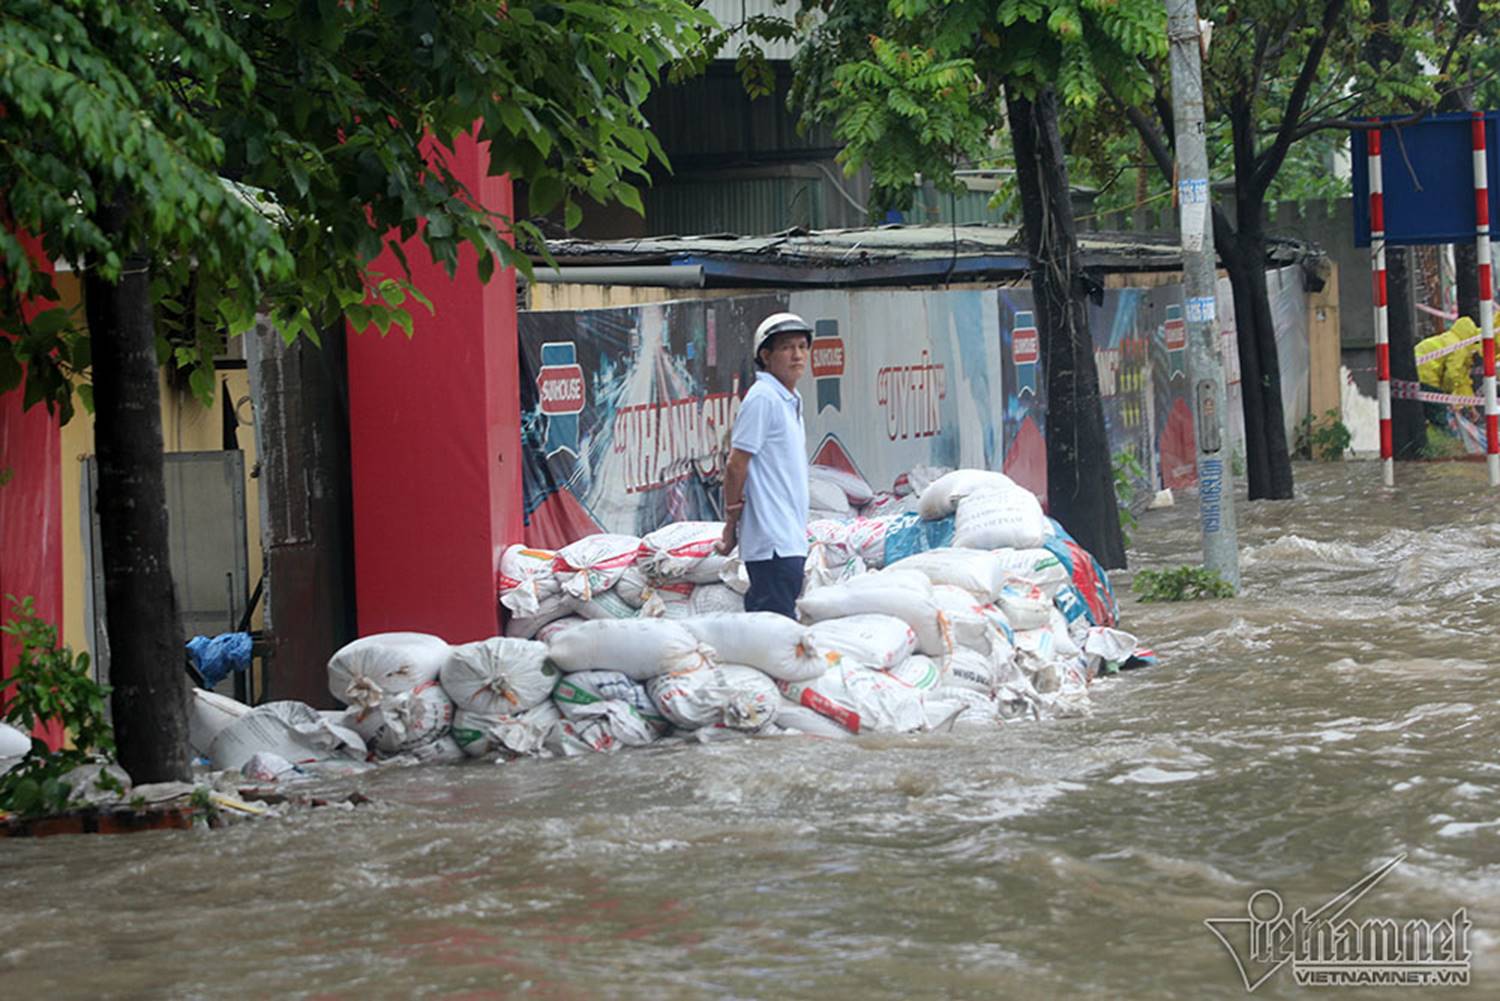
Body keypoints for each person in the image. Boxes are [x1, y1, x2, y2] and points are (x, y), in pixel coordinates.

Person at [717, 312, 813, 618]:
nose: (797, 355)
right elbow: (736, 464)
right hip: (772, 543)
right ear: (766, 355)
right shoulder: (763, 398)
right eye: (787, 347)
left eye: (802, 346)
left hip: (789, 539)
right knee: (774, 633)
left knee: (779, 630)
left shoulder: (789, 398)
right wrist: (732, 524)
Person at [1415, 316, 1482, 430]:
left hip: (1417, 371)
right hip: (1427, 375)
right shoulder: (1460, 348)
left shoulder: (1450, 338)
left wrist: (1470, 406)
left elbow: (1462, 381)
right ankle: (1442, 441)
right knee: (1439, 417)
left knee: (1424, 413)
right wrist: (1448, 397)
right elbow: (1452, 376)